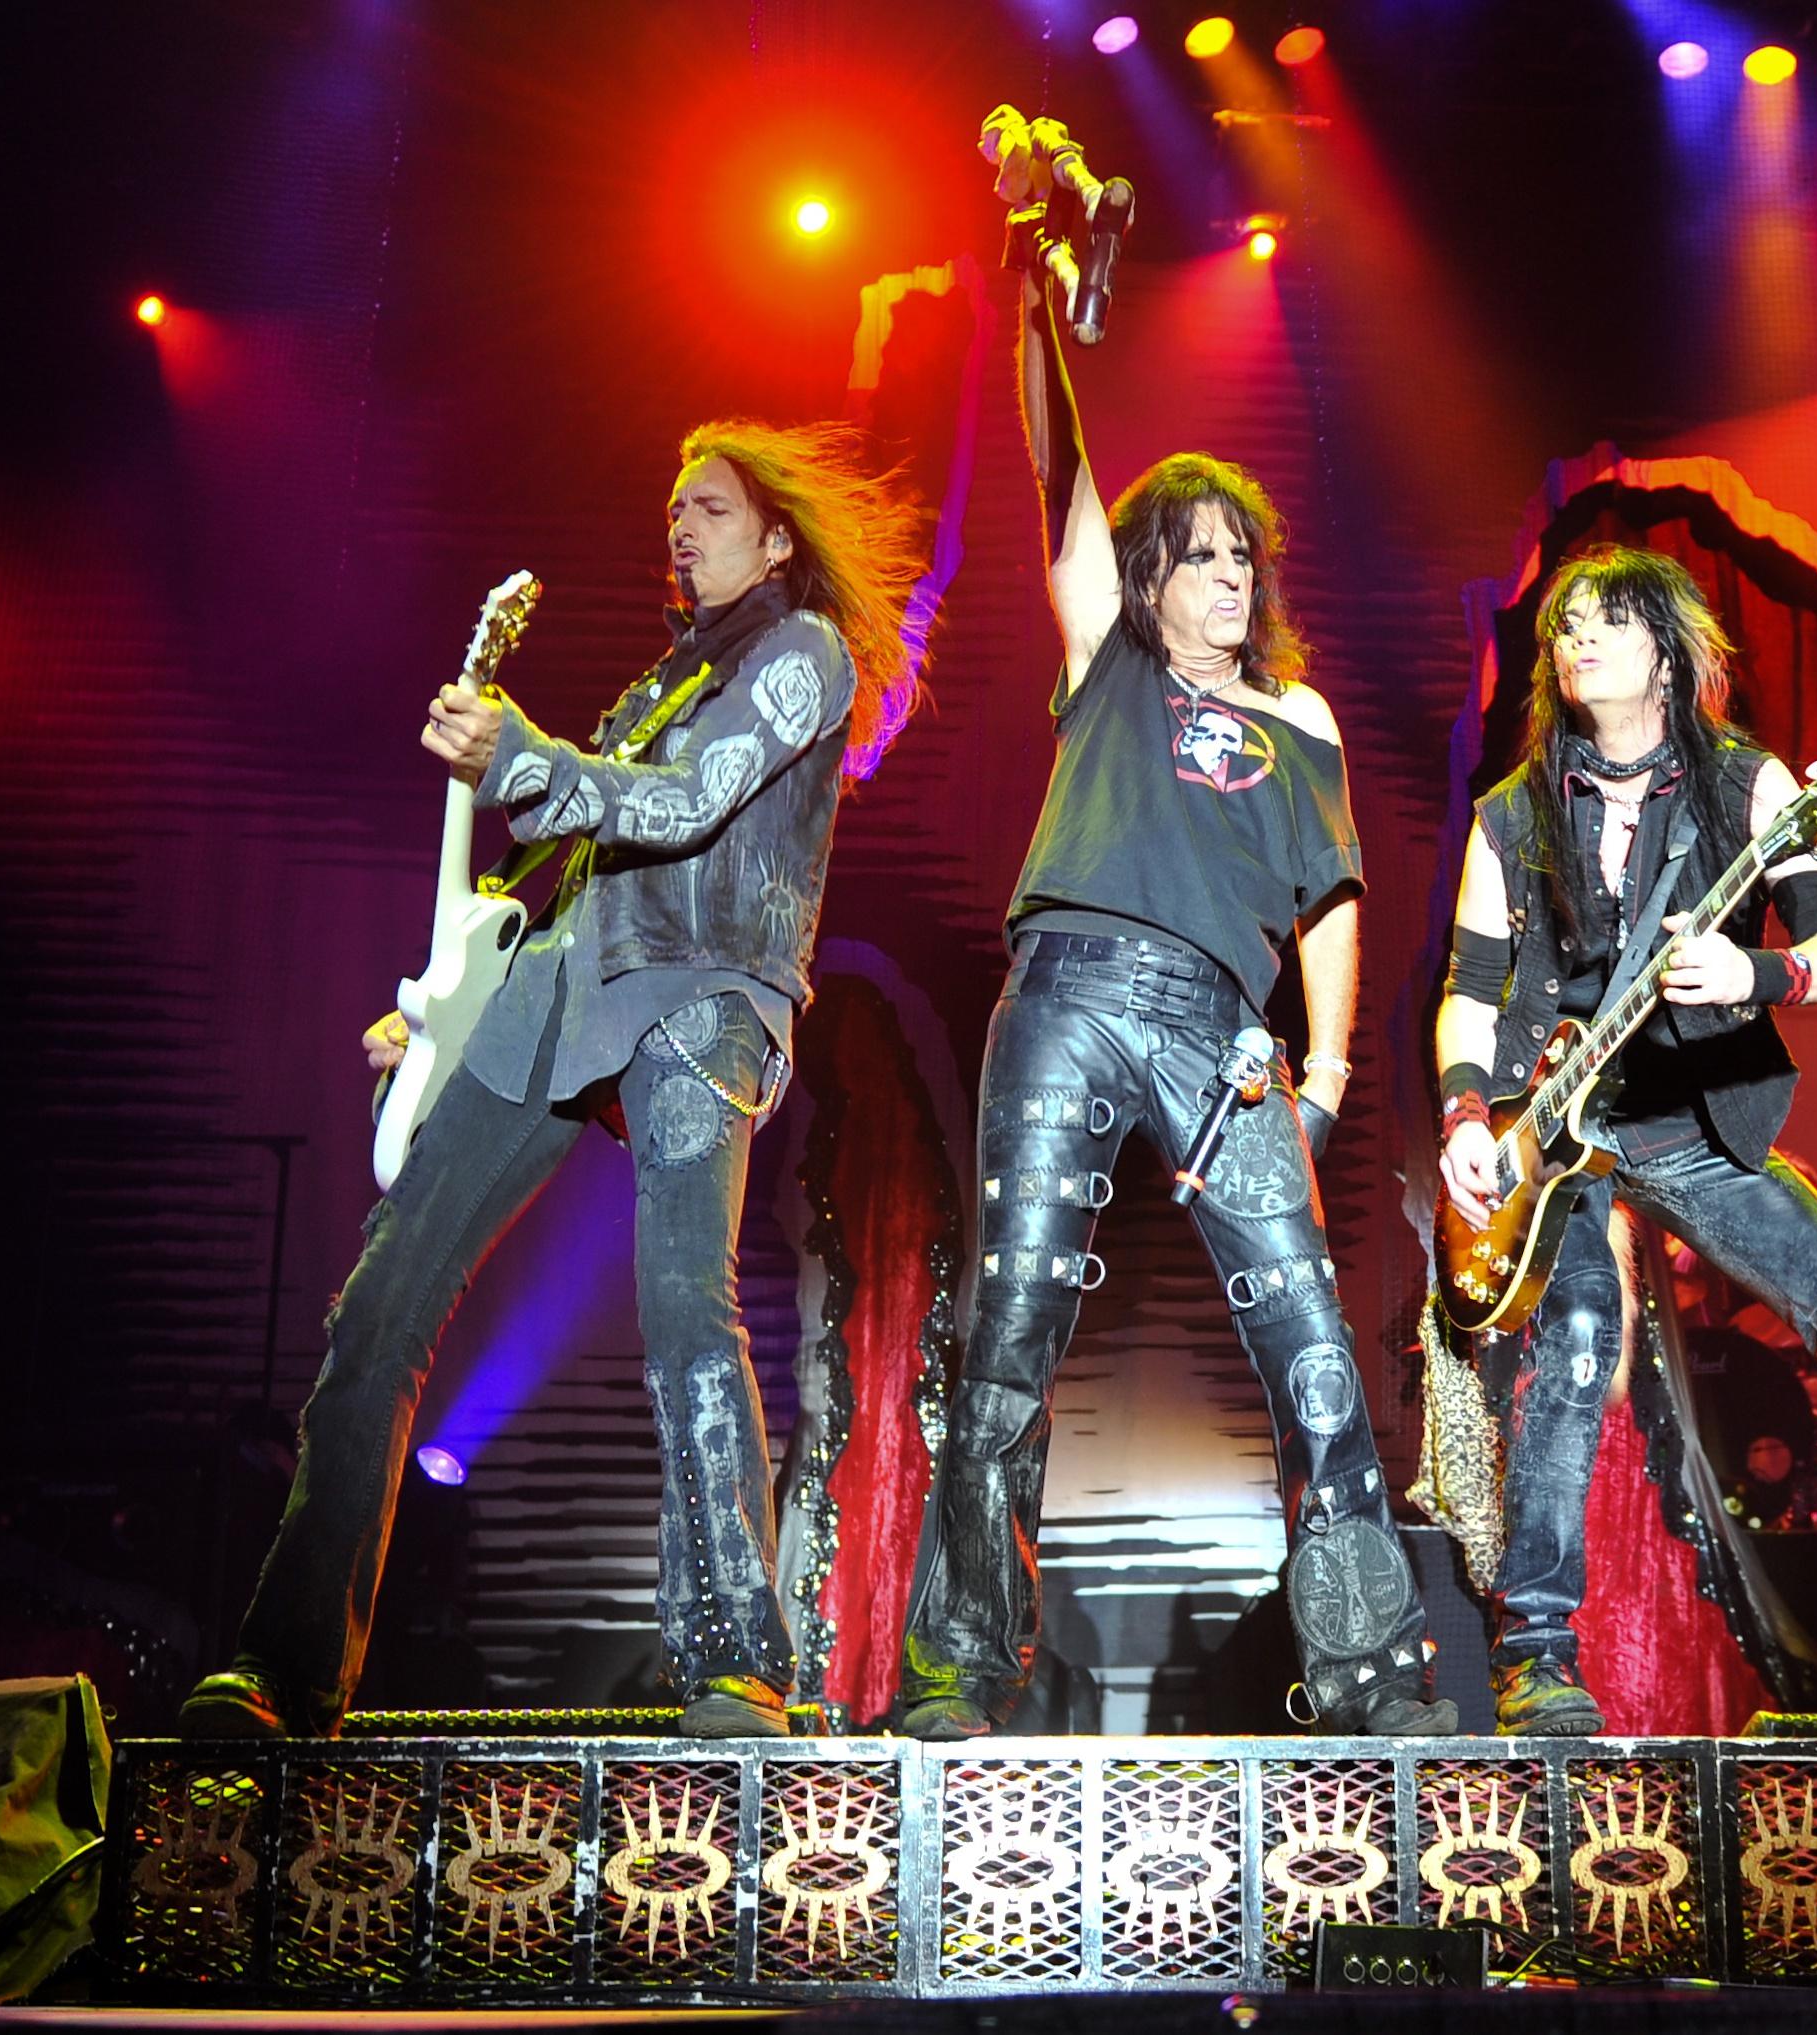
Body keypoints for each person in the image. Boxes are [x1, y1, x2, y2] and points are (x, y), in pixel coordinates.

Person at [181, 421, 924, 1741]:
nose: (680, 527)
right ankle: (284, 1664)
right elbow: (577, 856)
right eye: (670, 512)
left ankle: (736, 1664)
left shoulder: (800, 655)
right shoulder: (656, 681)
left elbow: (687, 802)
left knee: (687, 1316)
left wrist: (521, 758)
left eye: (706, 506)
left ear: (775, 536)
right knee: (379, 1305)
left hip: (701, 993)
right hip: (563, 988)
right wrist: (440, 1014)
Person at [894, 124, 1455, 1740]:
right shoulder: (1110, 664)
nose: (1227, 572)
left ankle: (1363, 1678)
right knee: (1004, 1334)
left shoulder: (1299, 713)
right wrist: (1030, 297)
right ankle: (957, 1671)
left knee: (1315, 1356)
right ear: (1148, 584)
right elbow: (1054, 470)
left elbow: (1336, 895)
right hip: (1067, 985)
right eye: (1196, 555)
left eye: (1242, 555)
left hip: (1229, 1030)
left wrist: (1335, 1068)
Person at [1434, 543, 1817, 1740]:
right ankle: (1532, 1656)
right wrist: (1467, 1118)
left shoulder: (1752, 784)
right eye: (1564, 624)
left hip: (1687, 1126)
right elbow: (1469, 992)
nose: (1576, 640)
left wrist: (1754, 967)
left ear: (1667, 653)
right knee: (1572, 1340)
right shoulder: (1511, 811)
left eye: (1608, 622)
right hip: (1551, 1138)